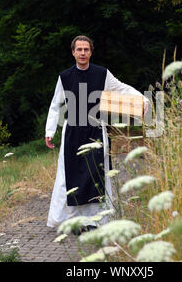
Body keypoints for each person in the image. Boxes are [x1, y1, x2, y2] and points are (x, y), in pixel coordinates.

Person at [45, 35, 149, 231]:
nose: (83, 53)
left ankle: (95, 221)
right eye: (79, 49)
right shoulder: (65, 77)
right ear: (73, 52)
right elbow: (55, 105)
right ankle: (71, 222)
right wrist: (50, 131)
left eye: (86, 49)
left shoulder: (102, 74)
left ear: (90, 52)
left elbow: (121, 88)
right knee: (69, 177)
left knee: (96, 176)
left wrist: (141, 99)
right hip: (72, 133)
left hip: (95, 130)